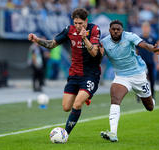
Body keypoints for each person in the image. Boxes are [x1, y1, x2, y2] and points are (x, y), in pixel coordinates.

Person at [28, 8, 102, 137]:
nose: (78, 26)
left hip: (90, 74)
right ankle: (86, 96)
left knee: (77, 103)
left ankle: (65, 134)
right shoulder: (69, 30)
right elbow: (52, 44)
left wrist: (84, 38)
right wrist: (37, 40)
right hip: (74, 74)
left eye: (80, 23)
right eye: (76, 23)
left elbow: (94, 52)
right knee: (66, 107)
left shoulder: (94, 29)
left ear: (86, 21)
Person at [99, 20, 159, 142]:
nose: (116, 31)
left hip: (138, 75)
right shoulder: (104, 43)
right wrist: (99, 55)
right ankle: (113, 133)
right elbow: (97, 61)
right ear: (109, 31)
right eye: (113, 29)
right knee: (115, 98)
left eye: (118, 29)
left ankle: (151, 99)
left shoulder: (129, 36)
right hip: (121, 76)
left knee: (149, 107)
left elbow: (145, 45)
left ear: (122, 30)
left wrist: (153, 49)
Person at [136, 21, 157, 101]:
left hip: (150, 61)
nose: (145, 29)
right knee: (140, 79)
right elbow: (136, 51)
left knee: (151, 78)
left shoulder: (152, 39)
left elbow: (155, 51)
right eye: (144, 27)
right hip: (141, 62)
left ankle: (153, 95)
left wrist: (157, 62)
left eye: (147, 27)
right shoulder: (139, 39)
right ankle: (139, 96)